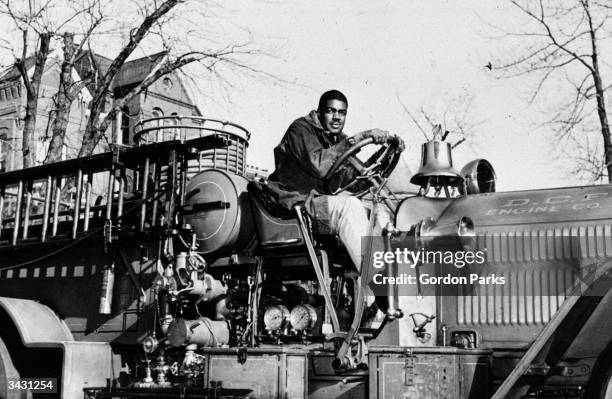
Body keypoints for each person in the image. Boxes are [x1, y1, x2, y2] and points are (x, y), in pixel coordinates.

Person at [267, 89, 405, 272]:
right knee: (350, 206)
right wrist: (360, 137)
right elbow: (320, 165)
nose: (337, 117)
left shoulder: (337, 141)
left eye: (342, 112)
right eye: (331, 111)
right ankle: (377, 284)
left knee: (375, 214)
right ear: (319, 112)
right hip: (292, 204)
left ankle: (390, 281)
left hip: (318, 207)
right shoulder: (300, 129)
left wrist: (388, 155)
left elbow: (359, 179)